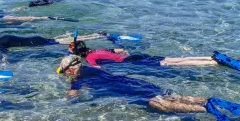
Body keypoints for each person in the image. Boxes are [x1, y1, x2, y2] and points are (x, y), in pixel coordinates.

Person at [56, 55, 240, 121]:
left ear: (72, 68)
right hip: (137, 83)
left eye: (64, 71)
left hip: (130, 91)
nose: (65, 74)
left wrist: (62, 103)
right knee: (172, 96)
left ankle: (206, 109)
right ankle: (209, 100)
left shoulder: (80, 77)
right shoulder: (93, 69)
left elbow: (72, 97)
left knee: (159, 105)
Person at [67, 40, 219, 68]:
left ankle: (211, 63)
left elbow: (98, 69)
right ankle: (209, 57)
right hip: (135, 56)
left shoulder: (90, 58)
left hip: (132, 63)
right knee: (175, 59)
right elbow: (121, 51)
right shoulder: (97, 51)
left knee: (172, 64)